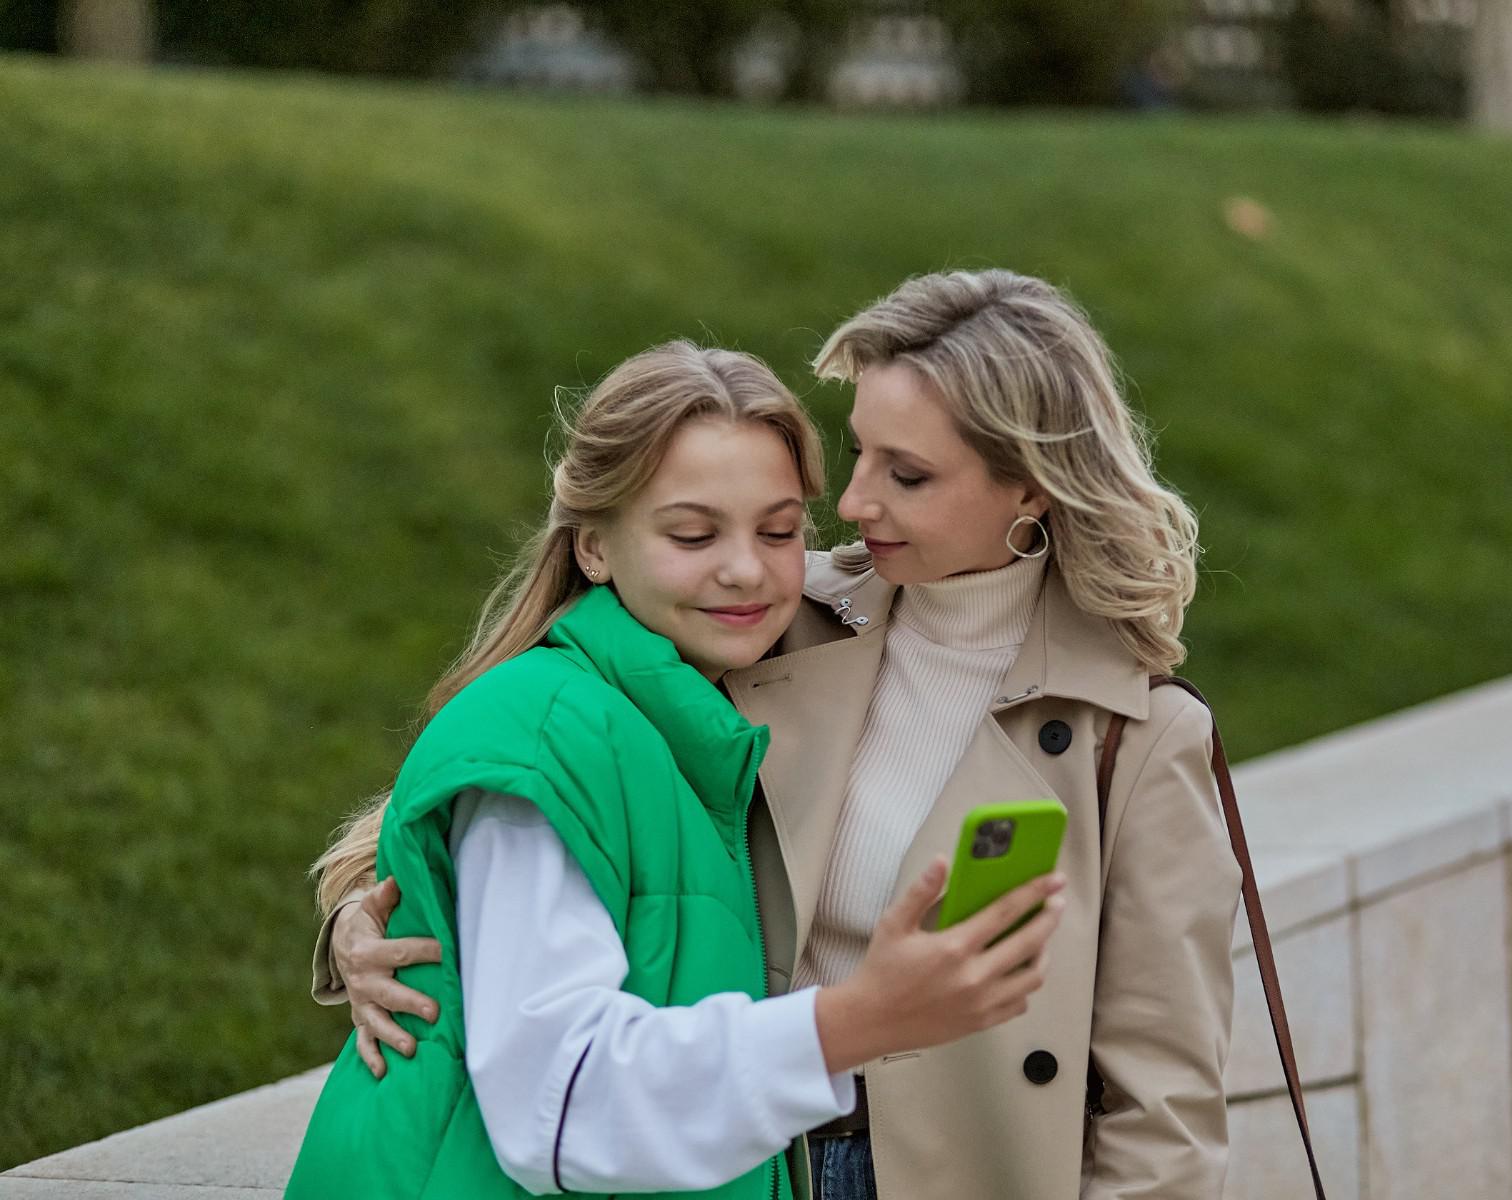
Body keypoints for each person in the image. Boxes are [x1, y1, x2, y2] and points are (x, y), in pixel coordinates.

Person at [318, 271, 1242, 1200]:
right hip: (741, 1154)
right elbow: (517, 786)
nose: (856, 502)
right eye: (859, 452)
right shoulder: (778, 616)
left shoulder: (1132, 734)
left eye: (907, 474)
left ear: (1032, 488)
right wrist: (369, 916)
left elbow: (1164, 1105)